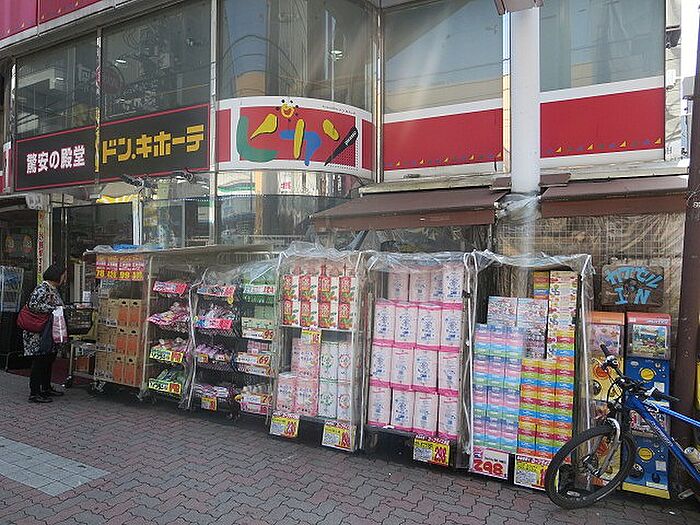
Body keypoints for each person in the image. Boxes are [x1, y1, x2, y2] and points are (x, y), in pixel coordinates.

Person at [23, 264, 67, 403]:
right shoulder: (42, 288)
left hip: (48, 331)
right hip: (38, 333)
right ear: (56, 276)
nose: (64, 279)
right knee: (39, 361)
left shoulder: (53, 289)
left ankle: (46, 387)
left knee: (48, 359)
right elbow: (33, 305)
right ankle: (35, 393)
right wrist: (54, 308)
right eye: (63, 275)